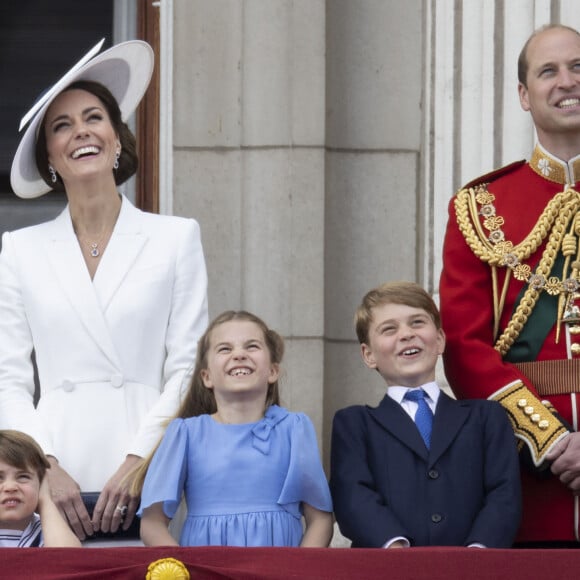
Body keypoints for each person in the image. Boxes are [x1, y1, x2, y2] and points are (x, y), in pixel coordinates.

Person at [0, 39, 208, 541]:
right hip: (55, 467)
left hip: (149, 467)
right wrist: (45, 465)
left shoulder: (175, 237)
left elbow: (186, 368)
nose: (81, 133)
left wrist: (140, 461)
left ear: (117, 139)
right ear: (50, 156)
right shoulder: (21, 249)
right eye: (61, 125)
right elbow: (8, 378)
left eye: (93, 118)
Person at [440, 24, 580, 547]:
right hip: (525, 484)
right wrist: (549, 441)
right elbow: (463, 347)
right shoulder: (480, 208)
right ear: (524, 95)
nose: (567, 81)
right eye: (549, 71)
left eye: (578, 67)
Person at [330, 281, 521, 548]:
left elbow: (504, 493)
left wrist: (478, 554)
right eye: (389, 329)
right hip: (387, 570)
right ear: (369, 354)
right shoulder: (355, 424)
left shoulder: (486, 417)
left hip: (473, 570)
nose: (407, 334)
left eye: (417, 322)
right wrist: (396, 548)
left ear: (440, 339)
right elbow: (352, 495)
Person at [133, 310, 333, 547]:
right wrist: (184, 569)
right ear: (206, 377)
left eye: (252, 346)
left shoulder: (294, 429)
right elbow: (152, 524)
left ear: (272, 371)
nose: (239, 354)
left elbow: (320, 519)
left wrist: (296, 571)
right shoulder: (185, 434)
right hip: (205, 572)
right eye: (225, 349)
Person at [0, 430, 81, 547]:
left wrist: (45, 500)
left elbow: (68, 559)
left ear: (42, 483)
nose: (11, 487)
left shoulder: (50, 530)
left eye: (23, 477)